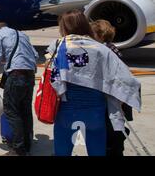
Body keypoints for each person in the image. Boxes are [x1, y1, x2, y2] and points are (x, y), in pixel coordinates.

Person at [48, 10, 141, 156]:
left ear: (65, 28)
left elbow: (54, 80)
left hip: (67, 110)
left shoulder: (59, 46)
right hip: (95, 111)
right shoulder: (102, 49)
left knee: (62, 152)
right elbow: (127, 80)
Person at [0, 22, 39, 156]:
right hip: (30, 75)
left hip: (16, 75)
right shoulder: (22, 35)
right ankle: (27, 145)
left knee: (11, 111)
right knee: (26, 110)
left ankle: (18, 149)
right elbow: (35, 56)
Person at [91, 19, 132, 156]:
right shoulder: (112, 48)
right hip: (118, 97)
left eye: (92, 34)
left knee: (111, 132)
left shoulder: (105, 51)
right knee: (115, 132)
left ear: (99, 35)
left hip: (113, 98)